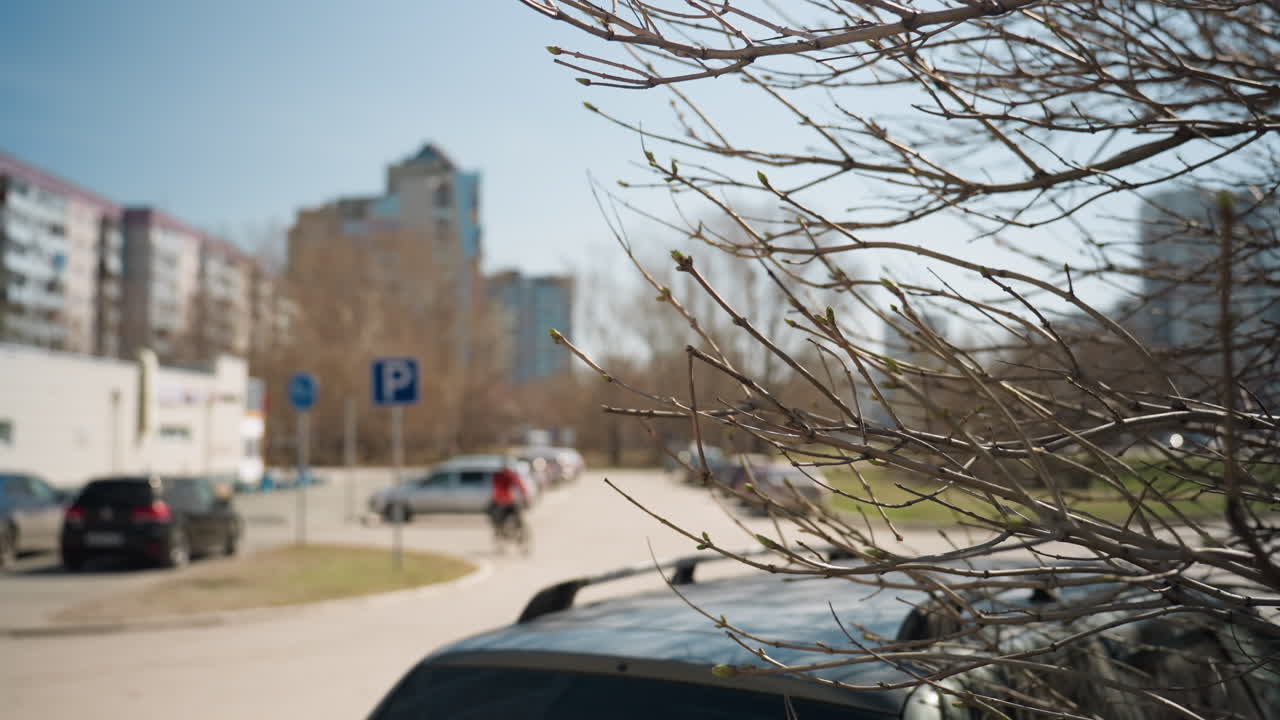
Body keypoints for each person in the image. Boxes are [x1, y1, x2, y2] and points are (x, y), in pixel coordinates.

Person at [487, 466, 528, 546]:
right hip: (506, 501)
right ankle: (515, 531)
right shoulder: (507, 476)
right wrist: (524, 496)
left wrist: (524, 495)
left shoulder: (498, 476)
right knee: (516, 517)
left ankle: (502, 530)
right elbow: (520, 485)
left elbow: (519, 485)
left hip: (503, 502)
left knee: (498, 517)